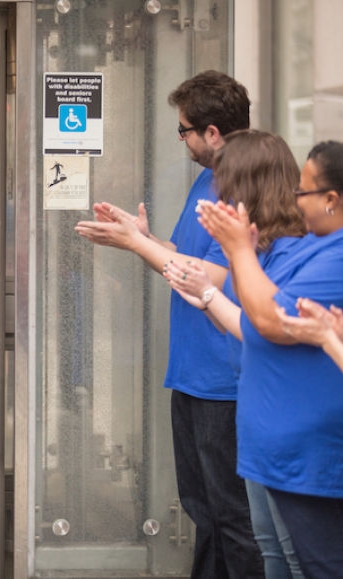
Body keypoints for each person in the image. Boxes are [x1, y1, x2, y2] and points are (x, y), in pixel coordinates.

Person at [74, 70, 263, 579]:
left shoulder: (244, 186)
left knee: (233, 515)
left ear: (213, 133)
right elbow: (183, 257)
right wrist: (143, 237)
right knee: (204, 509)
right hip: (193, 372)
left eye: (184, 131)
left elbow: (213, 278)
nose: (181, 140)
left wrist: (138, 246)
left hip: (224, 378)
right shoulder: (207, 178)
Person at [162, 130, 306, 579]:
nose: (218, 191)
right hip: (256, 407)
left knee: (279, 545)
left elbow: (261, 325)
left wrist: (210, 284)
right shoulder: (259, 246)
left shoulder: (293, 252)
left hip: (279, 414)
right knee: (263, 538)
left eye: (226, 182)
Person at [197, 140, 343, 579]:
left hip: (312, 456)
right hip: (283, 451)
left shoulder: (328, 253)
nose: (298, 202)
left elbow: (267, 319)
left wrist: (239, 254)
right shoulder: (320, 245)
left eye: (306, 192)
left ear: (332, 199)